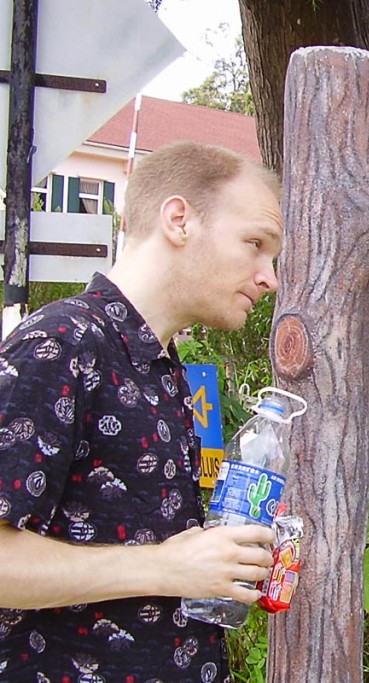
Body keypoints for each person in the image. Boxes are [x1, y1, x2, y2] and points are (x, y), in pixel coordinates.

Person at [0, 141, 283, 681]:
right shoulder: (62, 344)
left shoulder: (161, 365)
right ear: (179, 220)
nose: (269, 277)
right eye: (254, 243)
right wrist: (165, 567)